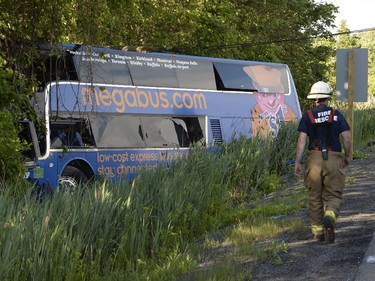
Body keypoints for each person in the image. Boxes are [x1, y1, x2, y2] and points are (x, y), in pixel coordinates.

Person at [294, 81, 351, 243]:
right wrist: (347, 156)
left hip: (314, 160)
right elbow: (346, 139)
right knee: (334, 194)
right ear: (328, 97)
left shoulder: (308, 116)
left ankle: (318, 233)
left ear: (314, 99)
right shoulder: (336, 114)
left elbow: (301, 141)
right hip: (333, 158)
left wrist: (298, 161)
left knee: (314, 196)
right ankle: (330, 214)